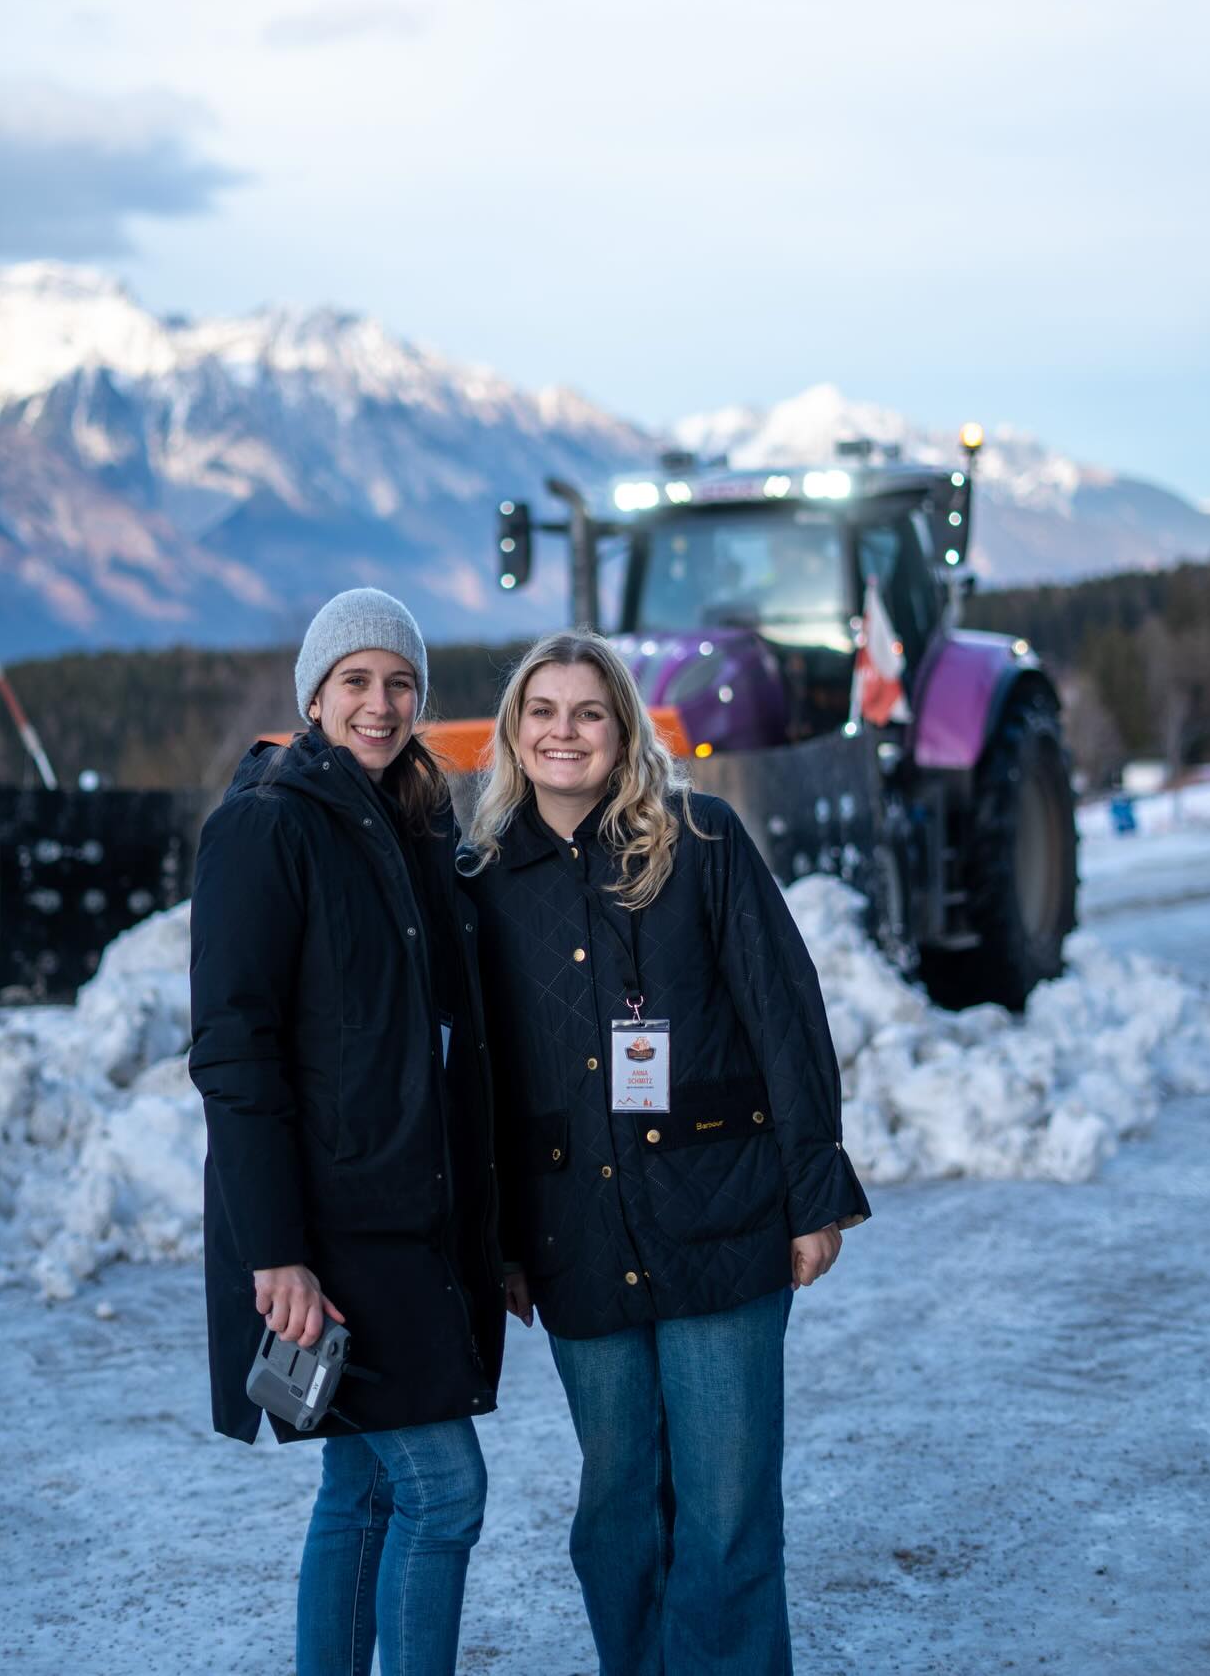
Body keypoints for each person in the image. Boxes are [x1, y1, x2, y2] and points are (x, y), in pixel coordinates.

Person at [464, 630, 869, 1676]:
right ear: (515, 731)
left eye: (588, 710)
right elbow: (488, 1082)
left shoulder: (705, 840)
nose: (565, 730)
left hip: (723, 1217)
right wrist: (503, 1238)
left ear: (623, 727)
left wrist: (814, 1191)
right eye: (543, 710)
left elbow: (785, 1015)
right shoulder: (484, 878)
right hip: (576, 1237)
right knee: (616, 1509)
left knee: (727, 1509)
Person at [189, 588, 504, 1676]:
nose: (381, 702)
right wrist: (273, 1247)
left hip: (410, 1213)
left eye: (400, 681)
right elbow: (234, 1050)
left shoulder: (410, 821)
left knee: (366, 1483)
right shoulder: (268, 823)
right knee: (443, 1487)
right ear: (315, 695)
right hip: (334, 1229)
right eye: (357, 681)